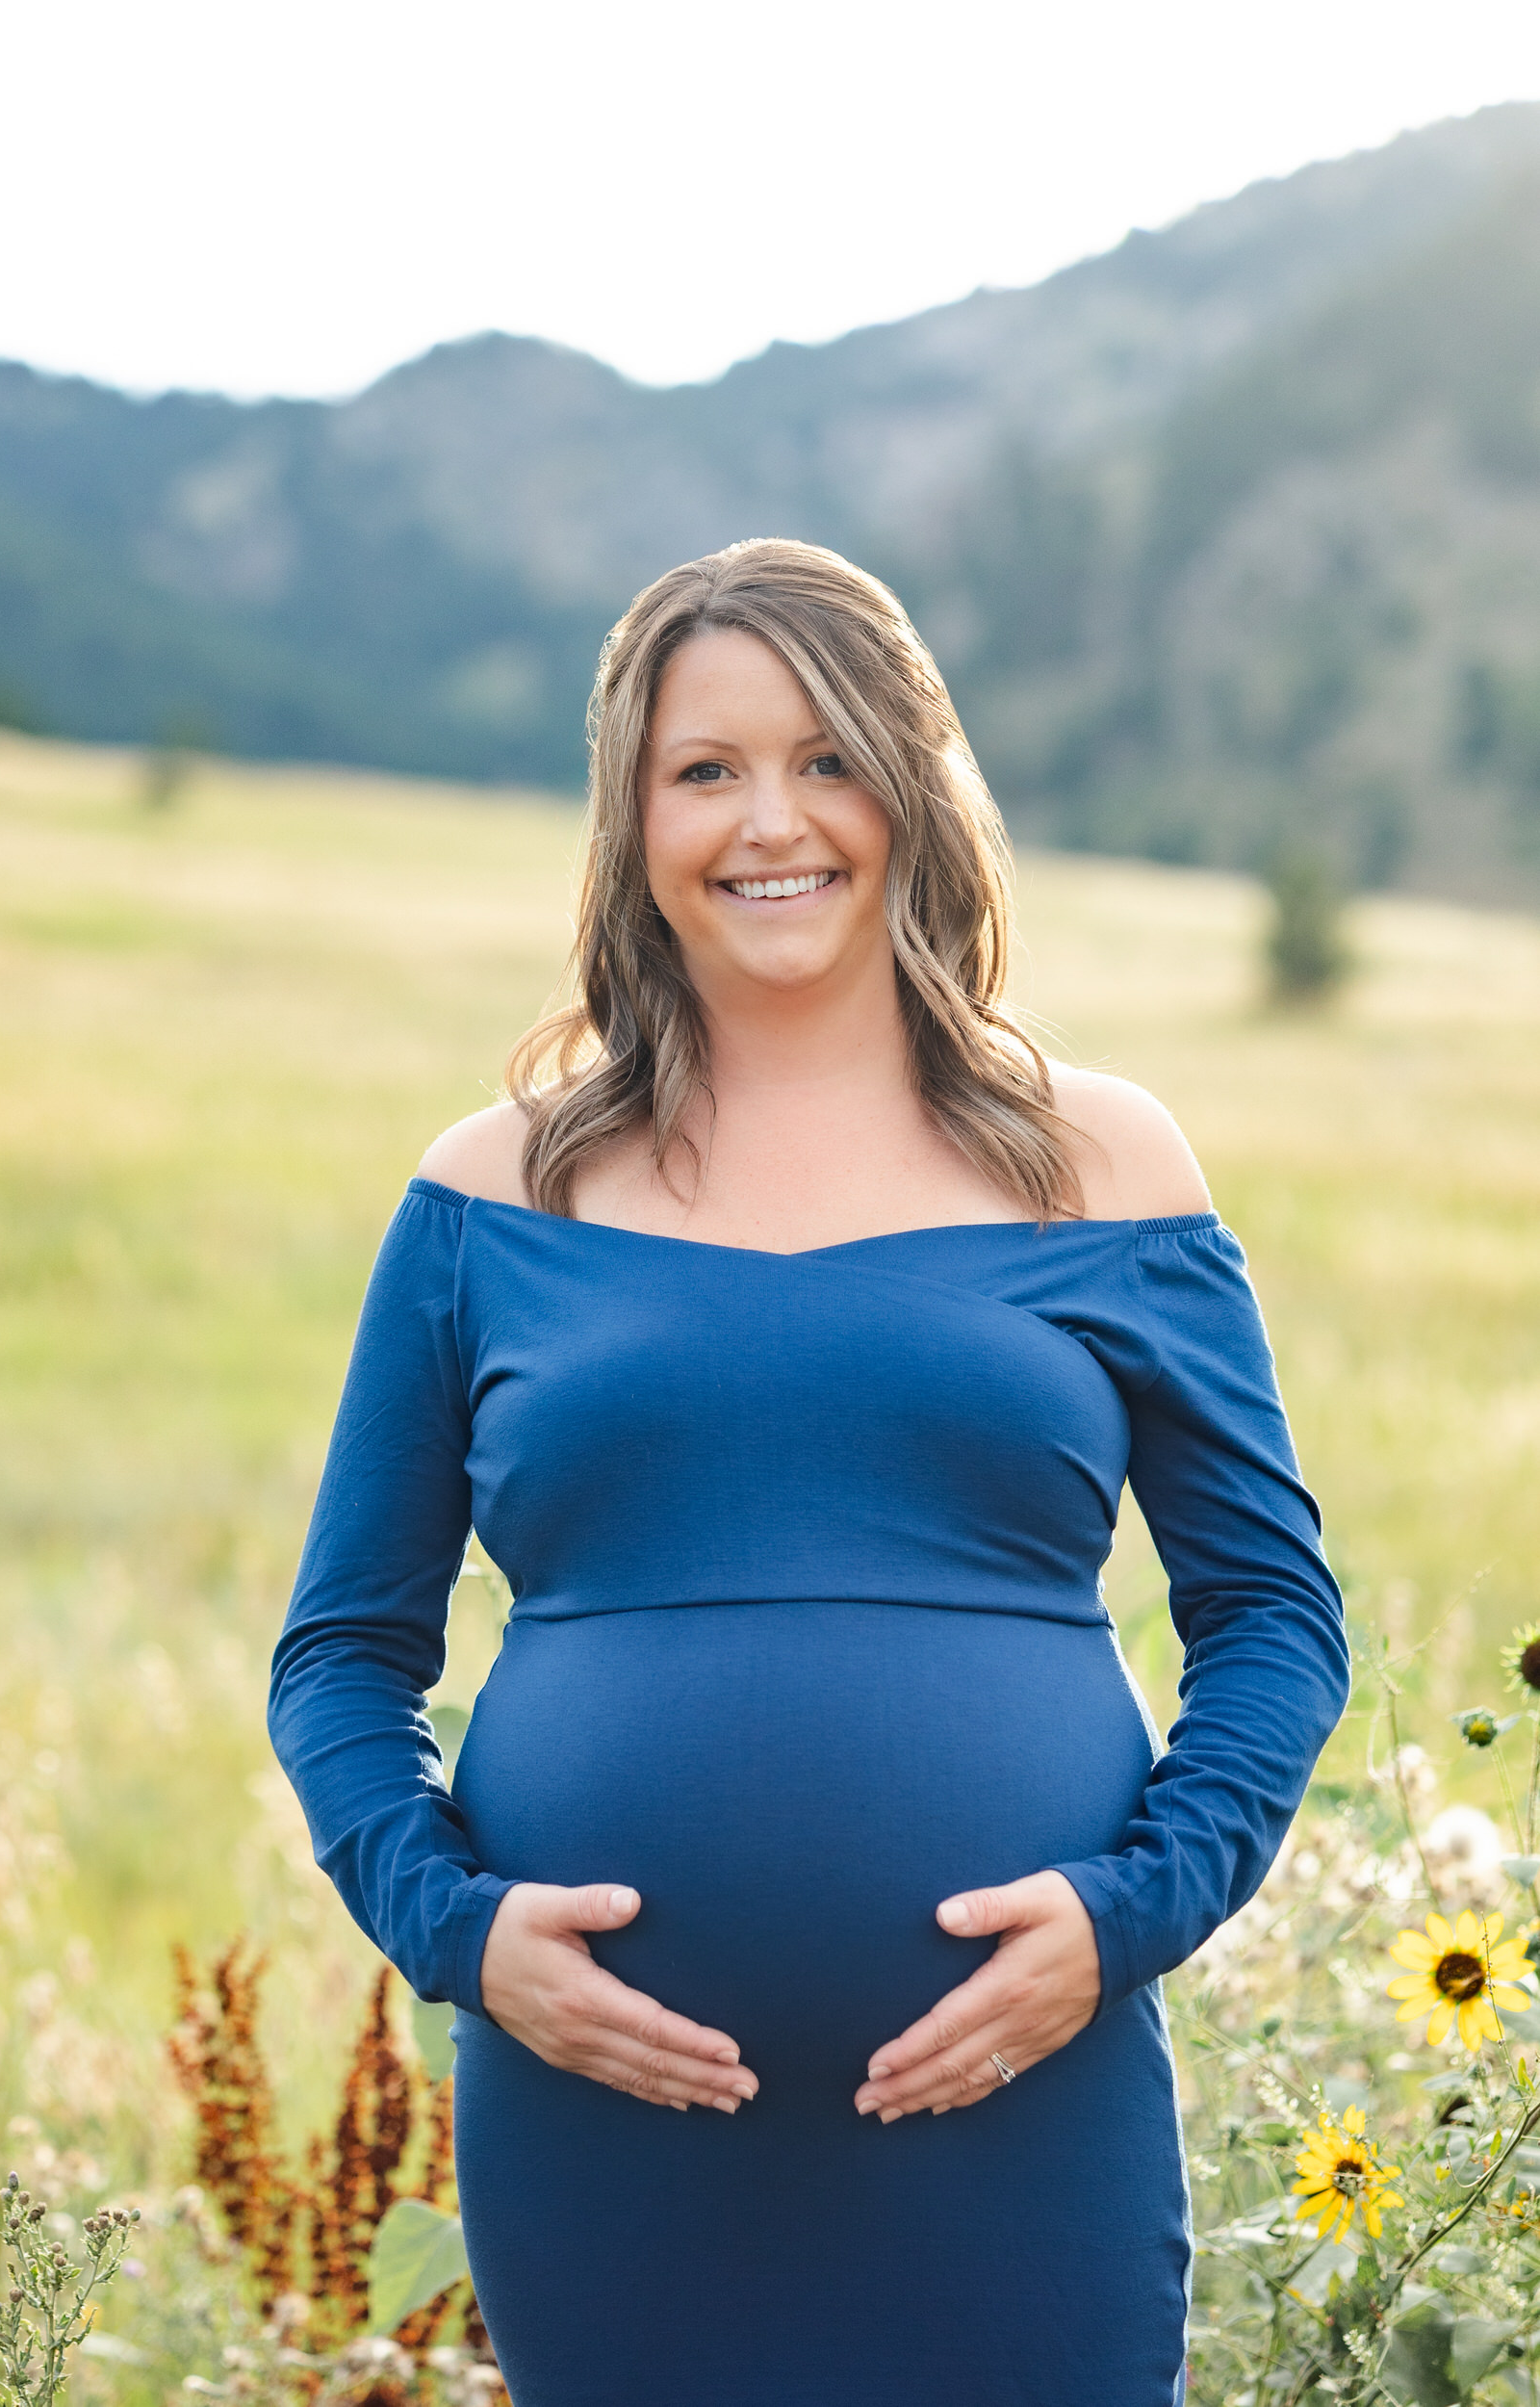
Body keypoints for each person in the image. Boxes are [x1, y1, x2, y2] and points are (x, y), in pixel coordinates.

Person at [269, 538, 1349, 2407]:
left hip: (1029, 2090)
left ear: (912, 785)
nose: (773, 818)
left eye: (827, 755)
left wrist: (1130, 1912)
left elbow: (1270, 1612)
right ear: (634, 815)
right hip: (605, 2122)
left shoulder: (1102, 1158)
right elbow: (342, 1651)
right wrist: (460, 1934)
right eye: (707, 768)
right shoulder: (486, 1192)